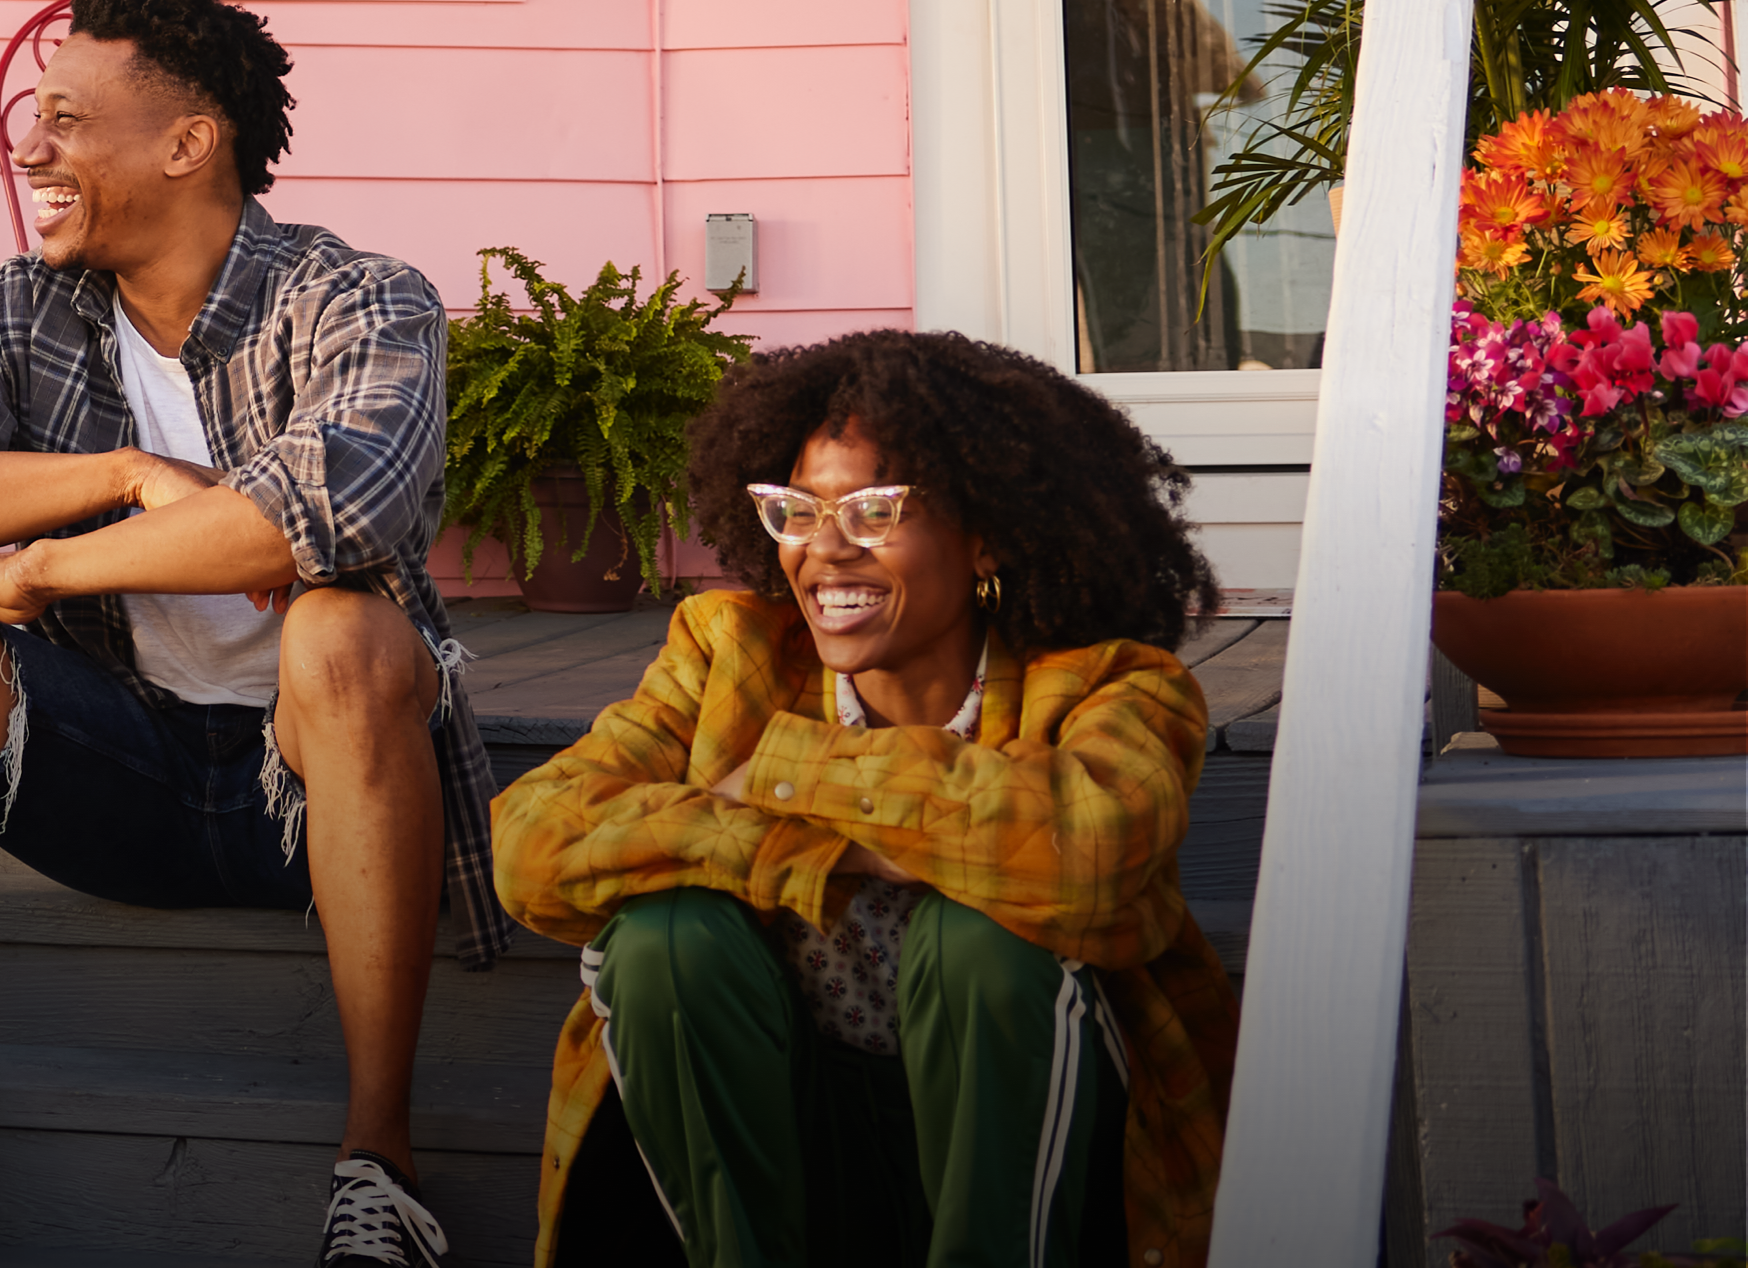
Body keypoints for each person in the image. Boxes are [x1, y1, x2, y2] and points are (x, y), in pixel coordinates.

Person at [0, 0, 517, 1268]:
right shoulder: (17, 310)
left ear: (186, 142)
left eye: (65, 117)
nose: (27, 141)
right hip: (120, 769)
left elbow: (332, 510)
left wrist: (42, 571)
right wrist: (116, 480)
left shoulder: (358, 299)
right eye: (31, 115)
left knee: (341, 633)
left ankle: (379, 1172)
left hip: (318, 788)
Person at [488, 331, 1241, 1268]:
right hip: (794, 1134)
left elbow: (1090, 854)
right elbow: (532, 842)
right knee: (665, 940)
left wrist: (778, 782)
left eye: (875, 510)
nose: (825, 549)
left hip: (1028, 1164)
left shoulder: (1110, 688)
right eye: (796, 510)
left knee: (982, 937)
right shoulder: (728, 652)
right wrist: (812, 851)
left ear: (986, 533)